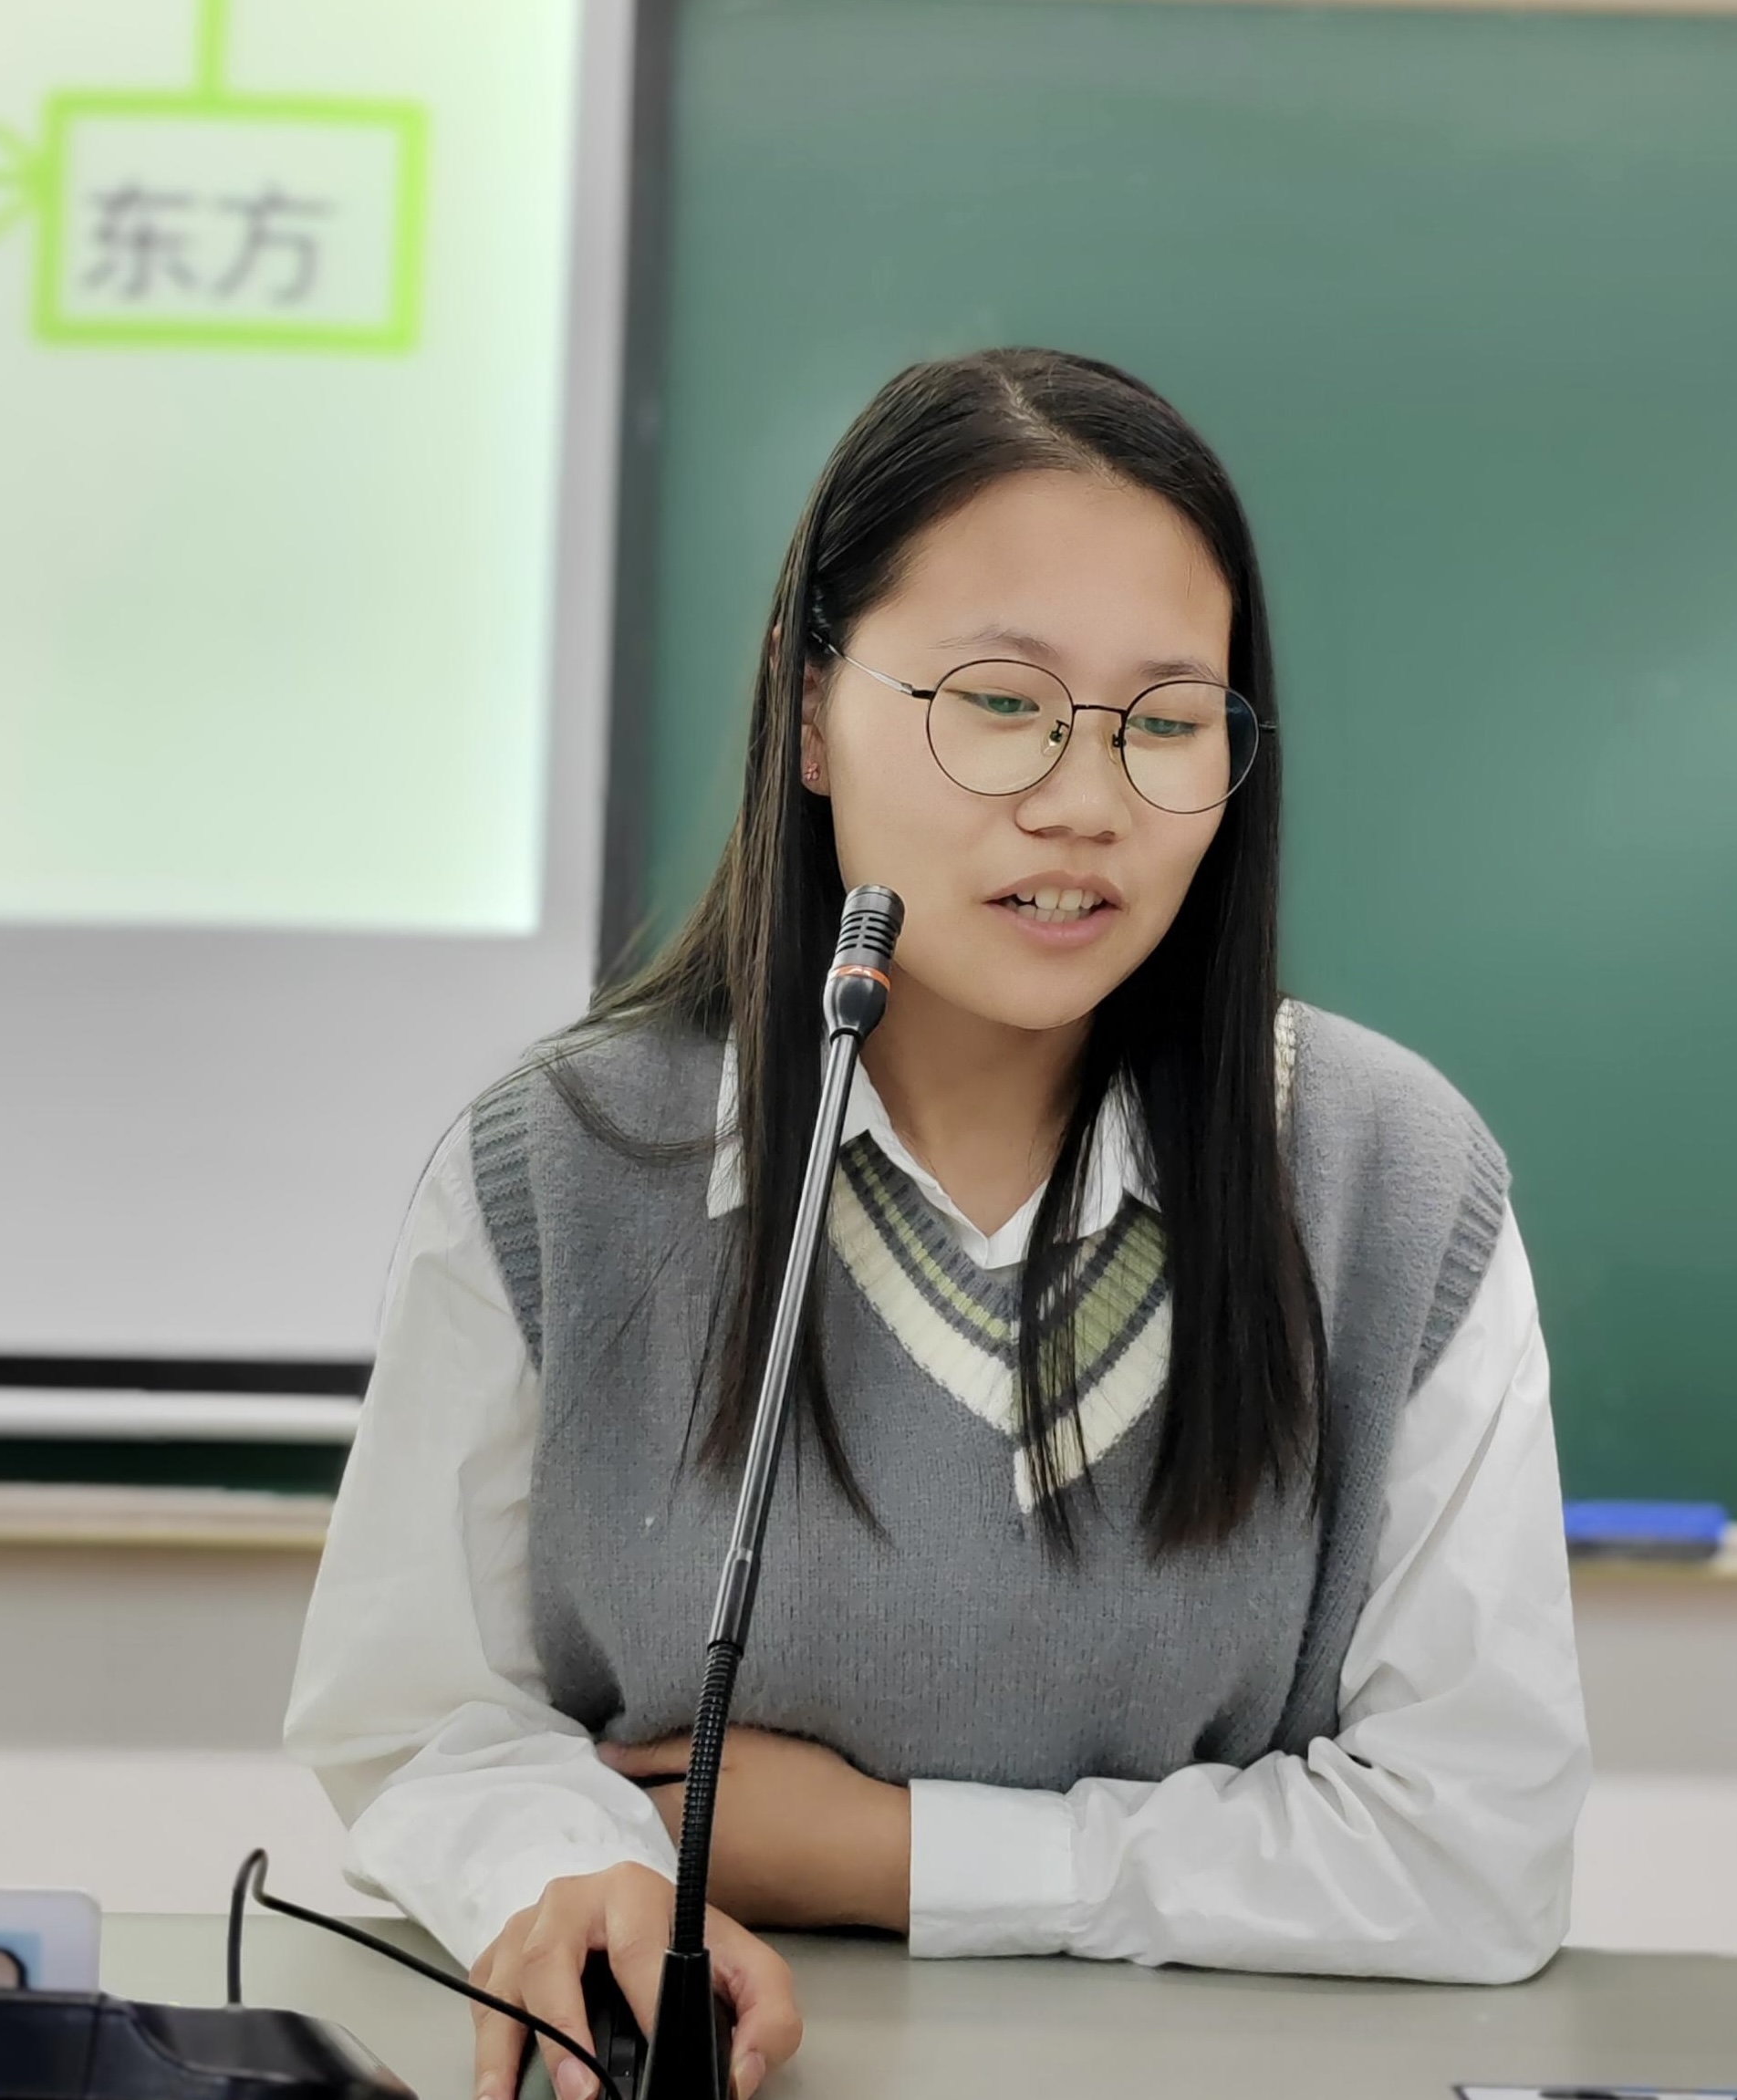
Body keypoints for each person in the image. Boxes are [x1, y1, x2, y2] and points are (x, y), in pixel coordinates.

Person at [286, 348, 1589, 2100]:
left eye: (1165, 721)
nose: (1084, 800)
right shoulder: (568, 1163)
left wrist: (894, 1853)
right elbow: (415, 1715)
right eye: (999, 701)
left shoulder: (1381, 1179)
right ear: (807, 706)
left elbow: (1473, 1843)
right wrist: (568, 1870)